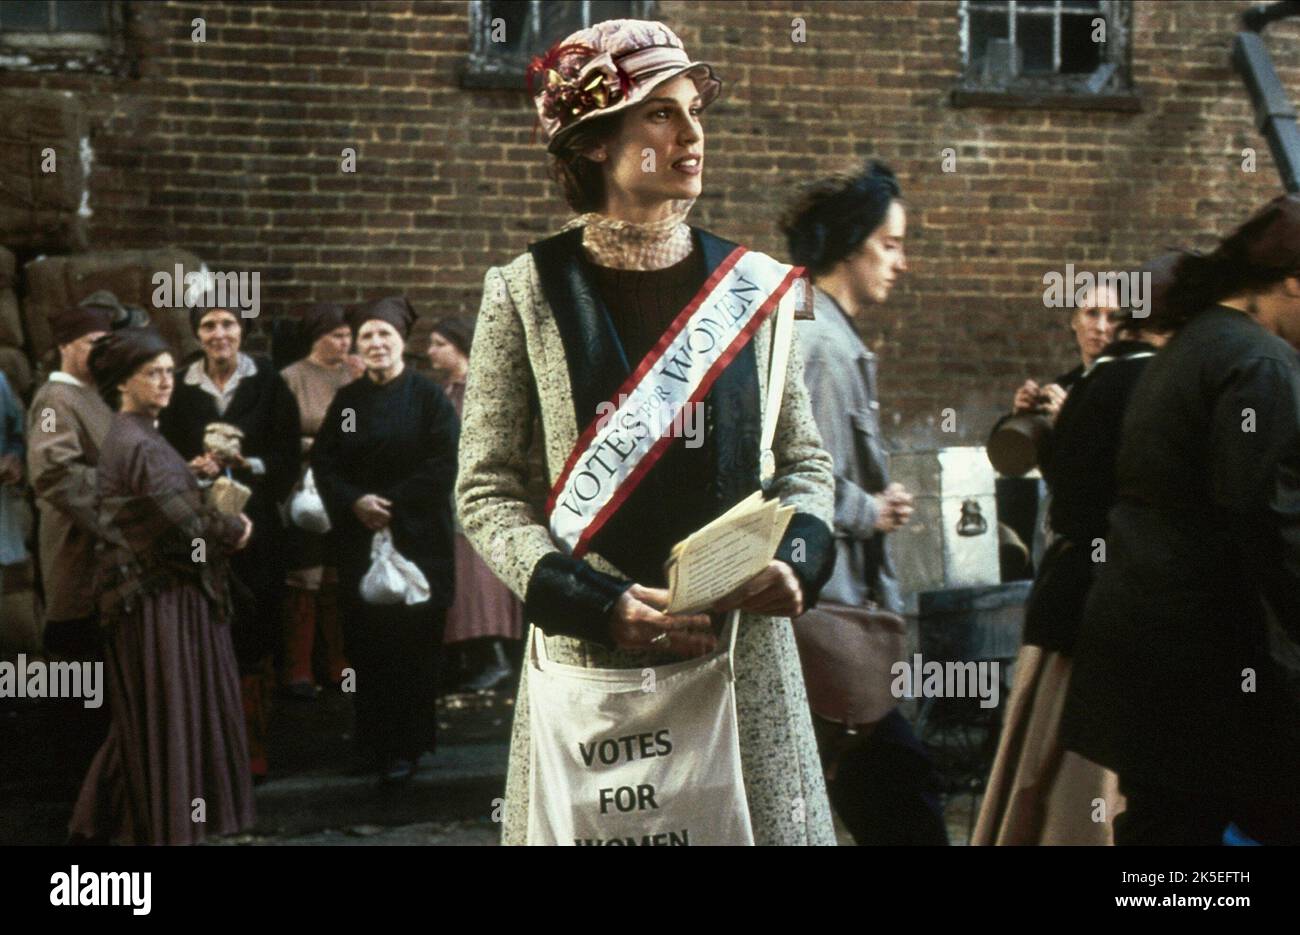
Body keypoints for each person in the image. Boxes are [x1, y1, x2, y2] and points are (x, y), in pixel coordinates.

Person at [457, 19, 839, 845]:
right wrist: (593, 604)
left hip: (742, 666)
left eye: (695, 110)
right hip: (595, 670)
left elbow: (805, 464)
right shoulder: (524, 292)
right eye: (660, 113)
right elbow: (487, 491)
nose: (692, 134)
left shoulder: (758, 289)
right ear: (595, 142)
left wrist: (799, 560)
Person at [1063, 196, 1300, 845]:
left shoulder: (1194, 344)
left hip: (1146, 651)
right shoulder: (1261, 363)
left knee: (1168, 839)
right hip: (1205, 667)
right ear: (1291, 281)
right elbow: (1264, 516)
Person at [974, 254, 1177, 845]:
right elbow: (1027, 468)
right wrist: (1021, 420)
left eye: (1113, 314)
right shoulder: (1072, 385)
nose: (1101, 325)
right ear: (1073, 321)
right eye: (1090, 312)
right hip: (1068, 572)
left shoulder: (1125, 385)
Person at [784, 161, 948, 846]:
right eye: (891, 243)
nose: (901, 263)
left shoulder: (831, 335)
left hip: (839, 618)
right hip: (831, 617)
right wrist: (867, 510)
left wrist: (875, 498)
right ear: (850, 244)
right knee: (903, 798)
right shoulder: (820, 343)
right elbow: (794, 477)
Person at [68, 327, 255, 845]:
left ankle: (117, 829)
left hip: (161, 597)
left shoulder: (139, 433)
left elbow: (167, 505)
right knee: (168, 717)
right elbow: (186, 530)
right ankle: (159, 832)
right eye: (152, 373)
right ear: (123, 384)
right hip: (157, 601)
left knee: (148, 721)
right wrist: (235, 528)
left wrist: (196, 487)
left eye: (170, 371)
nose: (166, 381)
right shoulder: (136, 439)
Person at [311, 297, 459, 783]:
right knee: (367, 645)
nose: (375, 344)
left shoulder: (427, 399)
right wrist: (354, 501)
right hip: (361, 541)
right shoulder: (349, 402)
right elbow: (327, 463)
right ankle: (372, 742)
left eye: (385, 336)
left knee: (412, 647)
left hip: (418, 539)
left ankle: (407, 746)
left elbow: (444, 463)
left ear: (402, 342)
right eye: (367, 336)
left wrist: (390, 503)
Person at [158, 305, 300, 780]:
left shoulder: (268, 384)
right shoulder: (178, 386)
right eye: (209, 326)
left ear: (243, 331)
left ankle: (251, 746)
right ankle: (204, 749)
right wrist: (189, 469)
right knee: (201, 624)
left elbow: (286, 458)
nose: (220, 334)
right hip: (195, 524)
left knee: (254, 624)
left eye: (228, 324)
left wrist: (246, 464)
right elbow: (159, 456)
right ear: (197, 335)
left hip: (254, 524)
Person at [428, 315, 523, 693]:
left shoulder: (477, 389)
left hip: (473, 496)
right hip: (445, 495)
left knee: (480, 578)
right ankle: (468, 658)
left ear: (459, 347)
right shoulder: (444, 391)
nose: (431, 351)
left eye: (439, 344)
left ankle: (495, 657)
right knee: (462, 580)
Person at [25, 302, 115, 659]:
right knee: (72, 636)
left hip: (99, 543)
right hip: (73, 541)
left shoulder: (94, 394)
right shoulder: (54, 400)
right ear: (64, 346)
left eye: (106, 344)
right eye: (92, 342)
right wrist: (122, 491)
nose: (100, 352)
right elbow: (52, 471)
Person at [278, 303, 356, 698]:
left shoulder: (353, 375)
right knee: (304, 576)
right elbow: (277, 435)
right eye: (336, 335)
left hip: (343, 489)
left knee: (337, 577)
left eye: (347, 335)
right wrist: (316, 445)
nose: (345, 342)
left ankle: (338, 666)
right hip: (305, 492)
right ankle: (298, 669)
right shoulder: (292, 379)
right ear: (317, 337)